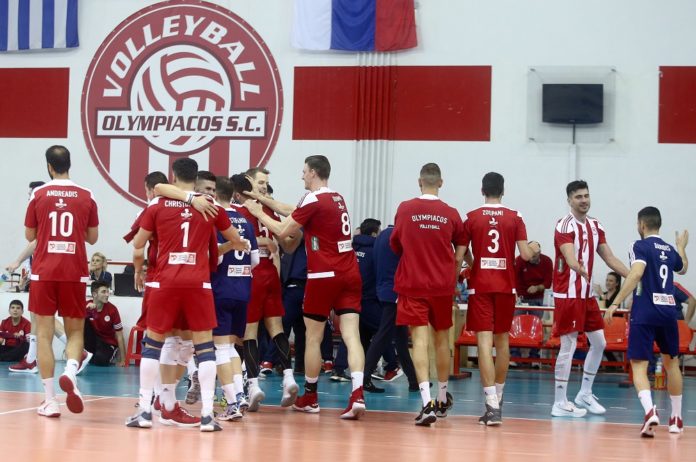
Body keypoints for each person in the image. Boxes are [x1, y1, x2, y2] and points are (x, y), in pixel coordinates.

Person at [126, 158, 249, 432]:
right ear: (196, 178)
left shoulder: (157, 204)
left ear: (173, 175)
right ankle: (206, 415)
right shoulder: (210, 206)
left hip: (165, 282)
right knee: (204, 349)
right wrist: (234, 243)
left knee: (153, 345)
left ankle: (145, 410)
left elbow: (138, 243)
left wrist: (144, 263)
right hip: (198, 284)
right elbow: (233, 237)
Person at [244, 155, 366, 419]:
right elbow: (292, 209)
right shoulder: (336, 198)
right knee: (351, 336)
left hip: (324, 275)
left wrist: (257, 212)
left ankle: (310, 396)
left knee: (313, 337)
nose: (301, 175)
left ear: (313, 172)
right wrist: (263, 200)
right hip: (350, 273)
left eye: (304, 171)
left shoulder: (312, 199)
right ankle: (357, 393)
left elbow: (282, 229)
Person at [25, 145, 99, 417]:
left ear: (49, 166)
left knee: (44, 335)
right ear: (70, 164)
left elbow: (29, 235)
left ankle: (50, 400)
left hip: (44, 271)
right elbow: (92, 238)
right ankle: (70, 370)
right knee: (75, 331)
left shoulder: (38, 194)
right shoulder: (86, 195)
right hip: (74, 271)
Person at [391, 163, 466, 426]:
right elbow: (462, 243)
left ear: (419, 181)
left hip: (413, 283)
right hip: (442, 285)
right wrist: (454, 267)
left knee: (419, 341)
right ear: (441, 183)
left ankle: (426, 403)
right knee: (442, 340)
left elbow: (396, 244)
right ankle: (442, 398)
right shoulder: (451, 213)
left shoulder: (405, 208)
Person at [604, 207, 688, 436]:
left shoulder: (639, 246)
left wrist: (615, 303)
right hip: (668, 312)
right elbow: (683, 268)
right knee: (671, 364)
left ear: (641, 224)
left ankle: (650, 410)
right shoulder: (669, 249)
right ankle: (676, 419)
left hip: (645, 312)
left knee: (639, 365)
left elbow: (636, 273)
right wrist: (681, 246)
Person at [461, 172, 535, 426]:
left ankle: (491, 404)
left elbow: (461, 252)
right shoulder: (515, 217)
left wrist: (473, 264)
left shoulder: (472, 217)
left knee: (484, 343)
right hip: (506, 286)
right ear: (503, 191)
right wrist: (535, 247)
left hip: (480, 286)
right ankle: (499, 398)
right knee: (502, 341)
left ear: (482, 190)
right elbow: (526, 255)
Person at [551, 180, 629, 418]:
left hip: (586, 295)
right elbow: (569, 256)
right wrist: (578, 267)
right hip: (568, 294)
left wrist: (634, 276)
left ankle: (584, 393)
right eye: (578, 197)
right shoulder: (564, 224)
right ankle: (559, 402)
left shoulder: (595, 225)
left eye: (586, 195)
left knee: (600, 343)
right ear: (569, 200)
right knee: (568, 346)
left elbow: (610, 258)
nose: (583, 200)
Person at [235, 169, 299, 410]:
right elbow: (290, 245)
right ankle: (289, 378)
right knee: (276, 329)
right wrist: (273, 240)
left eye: (266, 183)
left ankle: (253, 385)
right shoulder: (269, 211)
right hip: (271, 273)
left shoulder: (241, 212)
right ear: (249, 183)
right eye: (261, 182)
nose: (264, 186)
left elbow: (236, 242)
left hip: (252, 273)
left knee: (250, 333)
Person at [211, 176, 259, 420]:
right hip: (243, 289)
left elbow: (216, 258)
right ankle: (239, 395)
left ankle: (232, 403)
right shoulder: (246, 221)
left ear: (214, 194)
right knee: (231, 346)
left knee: (220, 348)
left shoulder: (216, 219)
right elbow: (255, 260)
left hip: (221, 288)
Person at [363, 224, 418, 393]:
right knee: (383, 335)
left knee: (401, 338)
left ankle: (414, 381)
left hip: (384, 288)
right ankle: (364, 378)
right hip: (395, 289)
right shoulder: (400, 234)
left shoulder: (381, 236)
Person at [511, 241, 552, 366]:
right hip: (521, 298)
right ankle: (514, 356)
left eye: (534, 256)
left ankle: (535, 357)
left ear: (539, 253)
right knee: (515, 326)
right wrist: (516, 296)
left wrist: (537, 287)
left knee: (537, 327)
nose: (531, 258)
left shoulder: (547, 261)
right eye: (529, 255)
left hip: (537, 298)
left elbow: (548, 283)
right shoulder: (519, 260)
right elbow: (514, 280)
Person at [84, 281, 126, 366]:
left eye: (108, 292)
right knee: (82, 320)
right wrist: (86, 311)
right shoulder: (86, 305)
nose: (107, 294)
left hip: (107, 343)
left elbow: (119, 335)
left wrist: (123, 359)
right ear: (94, 294)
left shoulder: (112, 310)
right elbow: (76, 328)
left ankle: (94, 356)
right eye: (103, 292)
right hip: (92, 341)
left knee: (100, 360)